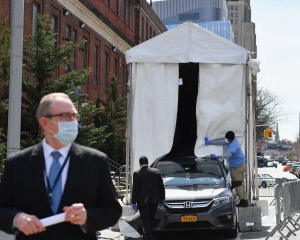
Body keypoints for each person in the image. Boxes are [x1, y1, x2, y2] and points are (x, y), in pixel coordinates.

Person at [0, 93, 122, 240]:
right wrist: (16, 218)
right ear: (45, 123)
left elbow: (113, 211)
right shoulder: (18, 163)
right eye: (65, 116)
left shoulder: (96, 161)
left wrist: (87, 216)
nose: (73, 121)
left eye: (74, 116)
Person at [205, 131, 248, 207]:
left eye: (227, 139)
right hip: (241, 164)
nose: (226, 140)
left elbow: (228, 155)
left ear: (230, 139)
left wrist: (217, 156)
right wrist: (210, 142)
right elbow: (222, 142)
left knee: (237, 184)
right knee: (241, 183)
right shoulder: (234, 141)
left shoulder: (233, 146)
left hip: (237, 167)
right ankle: (245, 199)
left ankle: (242, 201)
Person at [131, 156, 165, 240]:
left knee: (145, 221)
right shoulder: (156, 172)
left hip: (143, 202)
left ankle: (149, 237)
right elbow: (161, 186)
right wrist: (162, 198)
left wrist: (133, 202)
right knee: (151, 220)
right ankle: (147, 237)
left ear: (140, 164)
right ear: (148, 162)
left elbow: (135, 189)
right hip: (154, 201)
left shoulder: (137, 173)